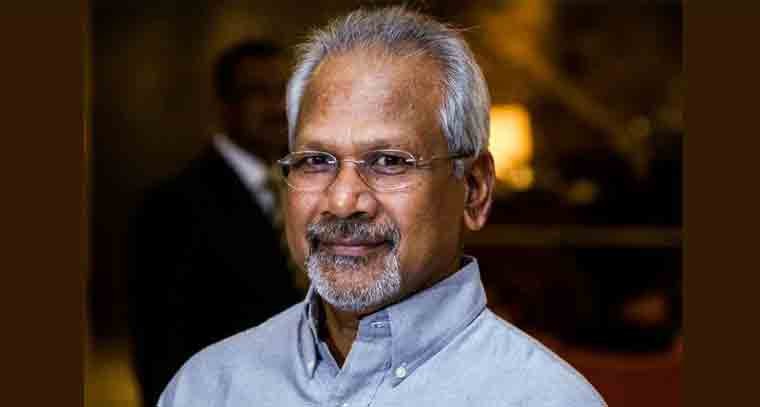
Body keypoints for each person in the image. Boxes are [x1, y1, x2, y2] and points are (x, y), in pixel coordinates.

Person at [158, 7, 606, 406]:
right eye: (316, 161)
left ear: (474, 189)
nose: (342, 200)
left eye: (389, 161)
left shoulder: (545, 398)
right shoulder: (208, 387)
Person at [127, 40, 301, 407]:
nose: (277, 107)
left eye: (284, 91)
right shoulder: (172, 207)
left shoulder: (313, 189)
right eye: (259, 92)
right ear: (224, 106)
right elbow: (160, 352)